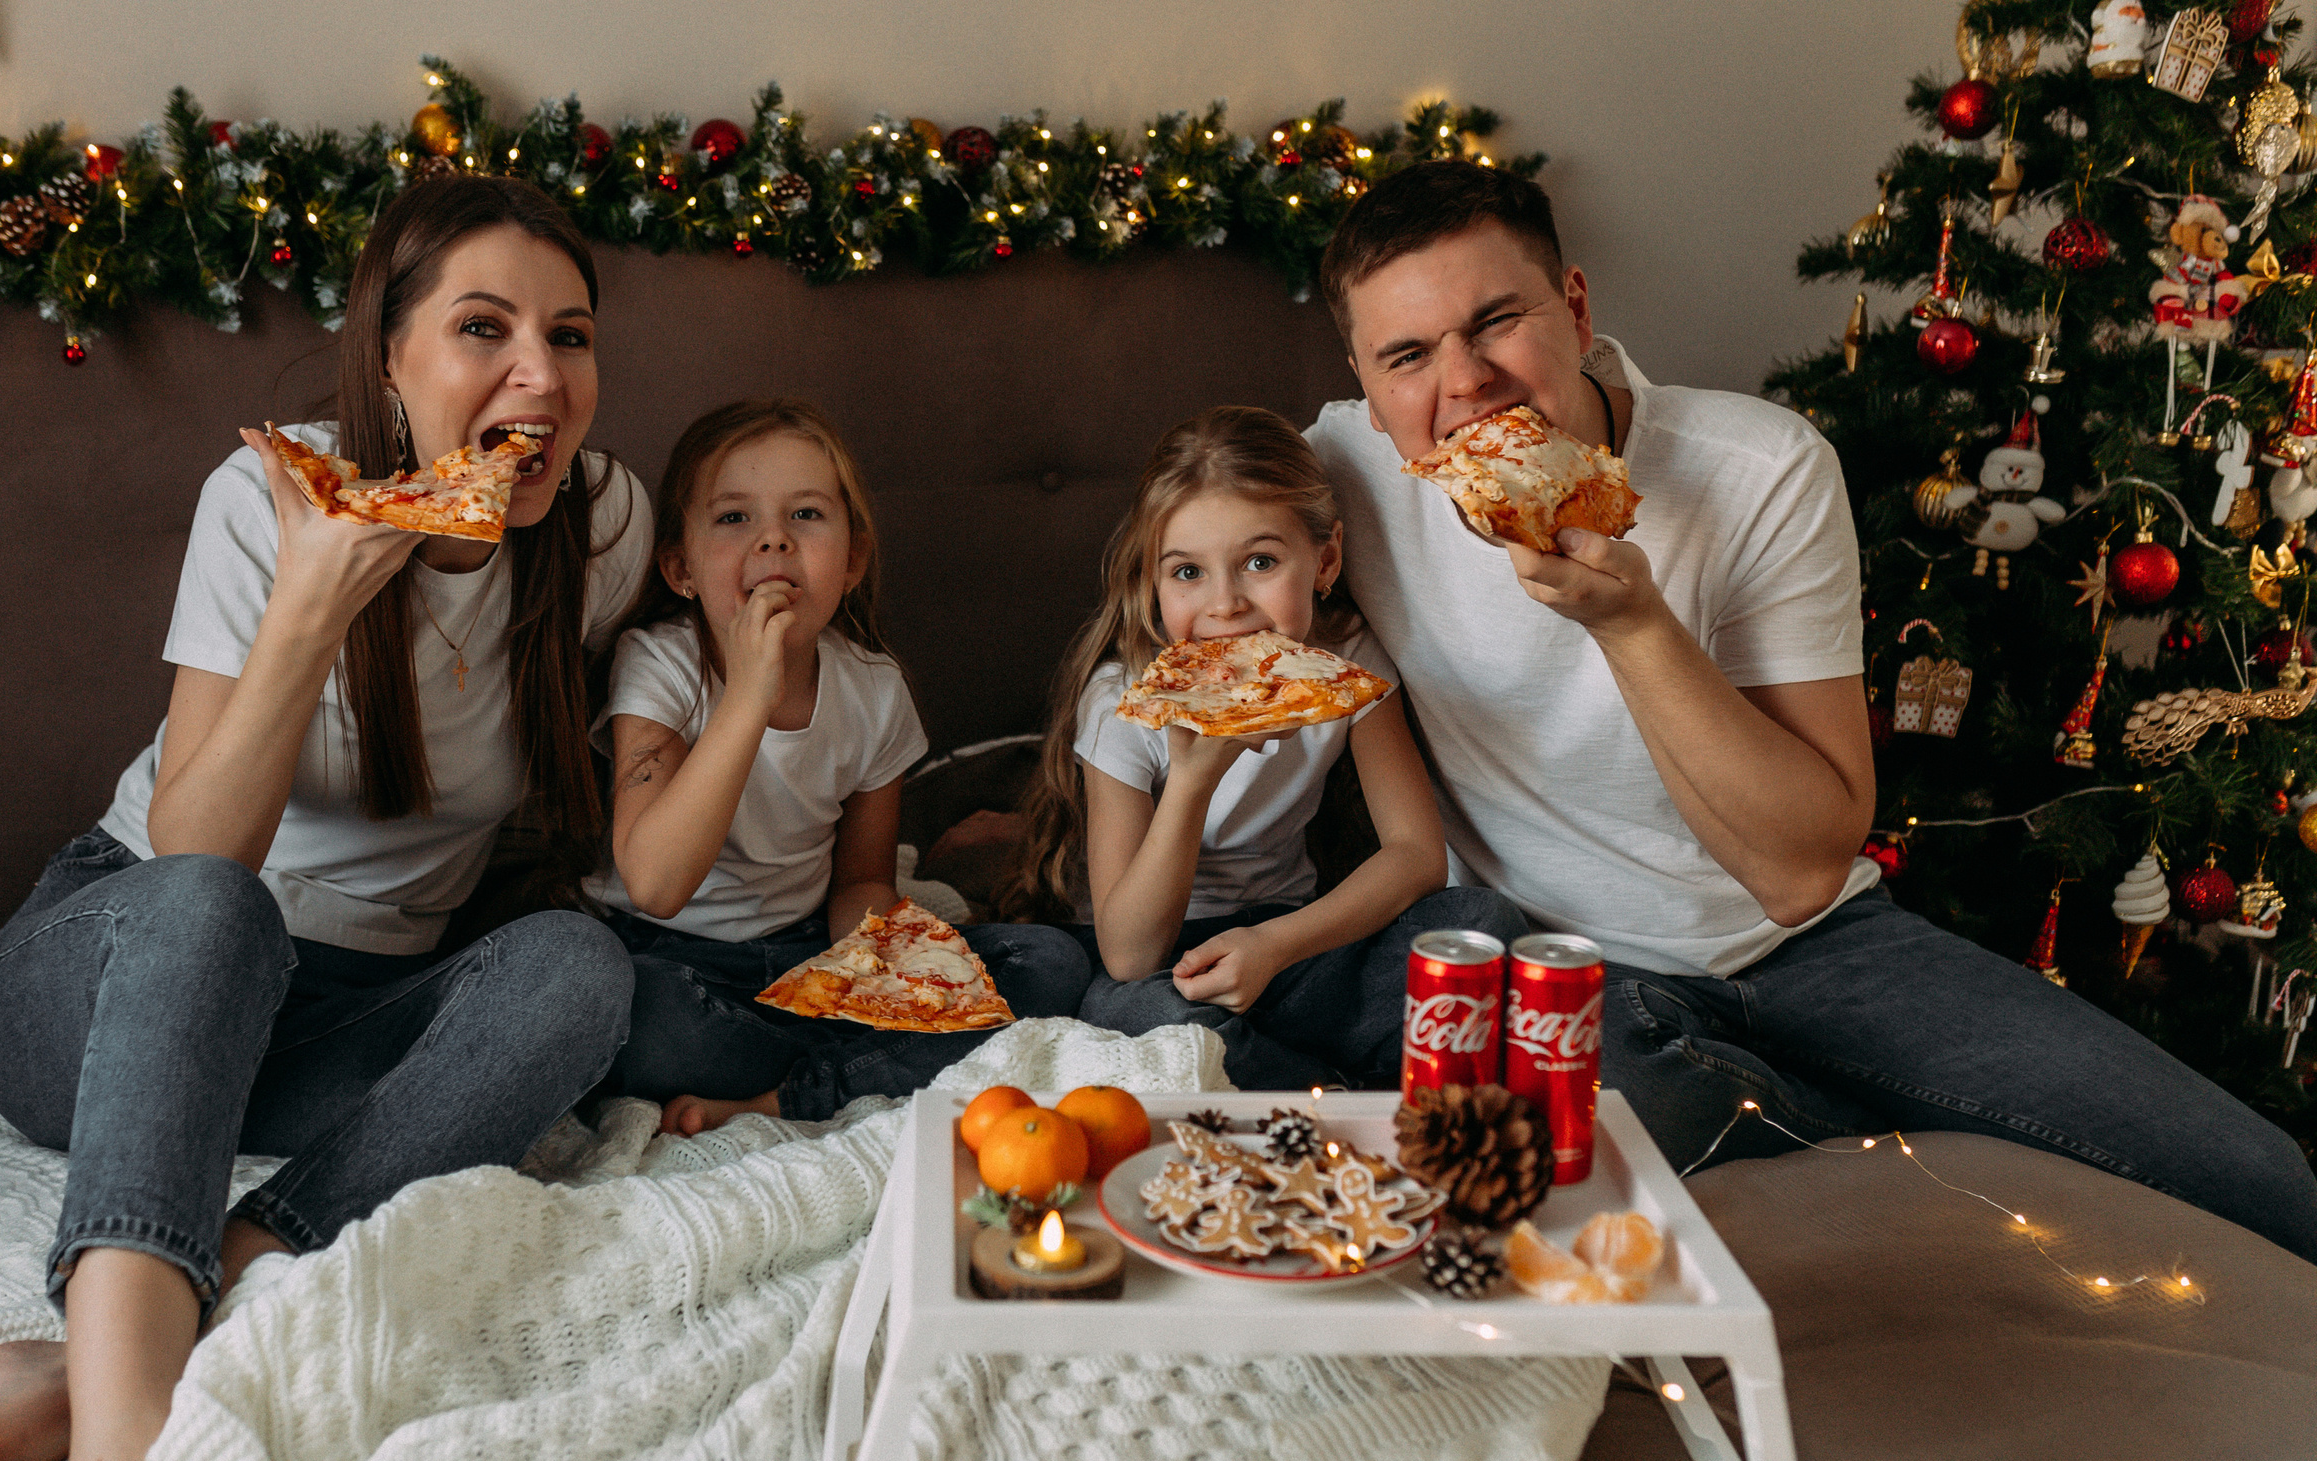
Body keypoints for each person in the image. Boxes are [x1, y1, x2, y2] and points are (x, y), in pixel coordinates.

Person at [0, 175, 651, 1461]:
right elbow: (195, 853)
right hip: (120, 957)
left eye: (569, 336)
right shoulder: (274, 498)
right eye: (483, 329)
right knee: (217, 905)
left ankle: (104, 1355)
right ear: (389, 359)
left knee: (582, 969)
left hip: (334, 1012)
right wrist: (313, 602)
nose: (539, 379)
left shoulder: (600, 525)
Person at [1306, 160, 2317, 1264]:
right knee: (1618, 1176)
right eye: (1406, 356)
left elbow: (1798, 872)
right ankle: (1870, 1166)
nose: (1465, 384)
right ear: (1362, 381)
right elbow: (1184, 607)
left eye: (1496, 321)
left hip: (1817, 948)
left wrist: (1636, 626)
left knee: (2260, 1185)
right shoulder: (1335, 479)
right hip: (1562, 972)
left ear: (1577, 309)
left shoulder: (1757, 467)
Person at [590, 398, 1089, 1132]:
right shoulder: (659, 666)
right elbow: (657, 884)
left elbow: (860, 880)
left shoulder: (872, 689)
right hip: (669, 957)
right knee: (646, 1019)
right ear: (681, 567)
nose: (773, 542)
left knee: (1052, 963)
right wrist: (750, 694)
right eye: (733, 518)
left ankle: (789, 1093)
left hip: (802, 951)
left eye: (806, 516)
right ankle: (851, 1068)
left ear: (851, 560)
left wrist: (898, 971)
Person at [1002, 405, 1480, 1088]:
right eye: (1188, 572)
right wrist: (1196, 777)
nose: (1225, 605)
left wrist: (1274, 945)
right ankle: (1330, 1087)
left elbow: (1416, 856)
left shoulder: (1347, 666)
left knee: (1480, 922)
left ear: (1326, 559)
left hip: (1294, 941)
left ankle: (1276, 1069)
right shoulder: (1126, 701)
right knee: (1143, 1013)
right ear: (1153, 579)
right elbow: (1130, 952)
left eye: (1259, 561)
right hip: (1170, 967)